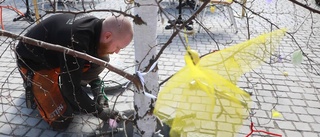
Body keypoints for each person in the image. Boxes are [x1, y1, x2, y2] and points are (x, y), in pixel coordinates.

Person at [15, 13, 133, 131]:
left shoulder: (98, 27)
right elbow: (70, 90)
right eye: (118, 47)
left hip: (61, 54)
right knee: (62, 120)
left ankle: (78, 81)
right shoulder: (76, 41)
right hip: (34, 62)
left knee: (102, 58)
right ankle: (32, 84)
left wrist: (95, 86)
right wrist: (100, 111)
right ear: (107, 36)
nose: (117, 52)